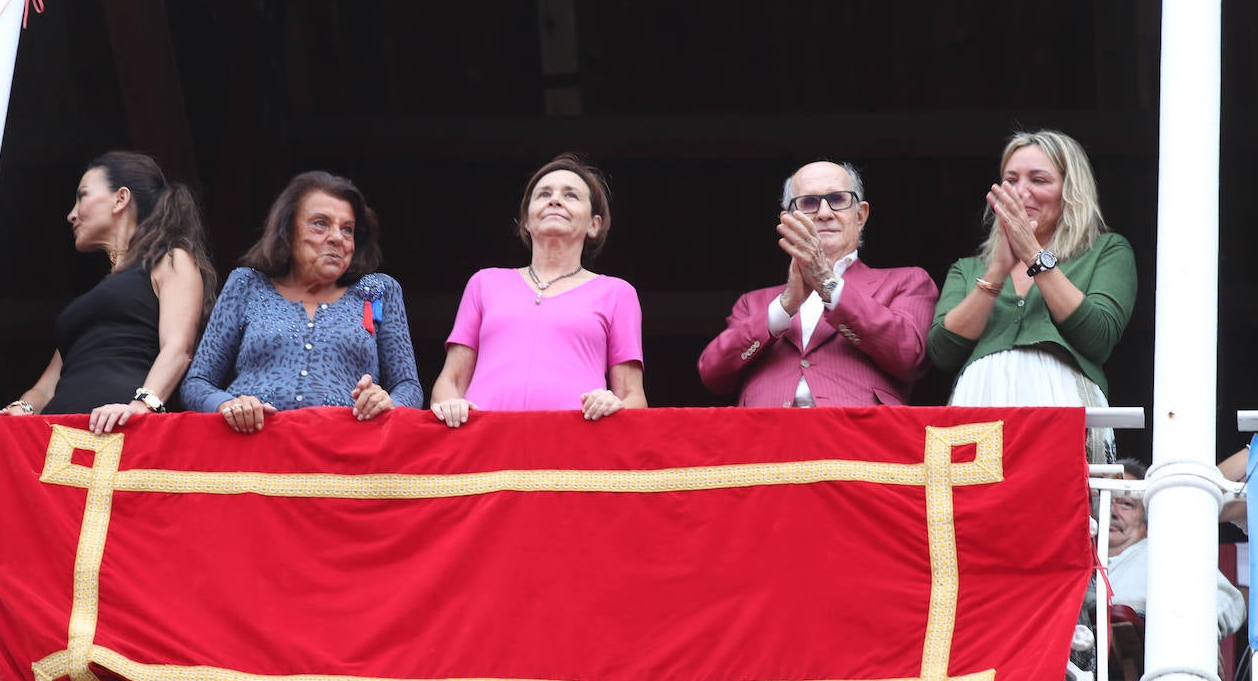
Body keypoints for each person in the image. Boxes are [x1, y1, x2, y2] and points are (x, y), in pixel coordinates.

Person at [927, 130, 1137, 462]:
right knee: (974, 513)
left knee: (1063, 511)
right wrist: (996, 270)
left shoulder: (1106, 251)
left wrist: (1033, 255)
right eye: (1011, 180)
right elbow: (942, 351)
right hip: (977, 410)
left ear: (1070, 191)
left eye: (1038, 180)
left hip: (1062, 410)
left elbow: (1098, 336)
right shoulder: (969, 269)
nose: (1022, 191)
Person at [182, 171, 421, 433]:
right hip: (251, 452)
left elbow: (408, 387)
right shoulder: (247, 285)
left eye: (347, 229)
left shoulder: (378, 291)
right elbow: (197, 383)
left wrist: (387, 403)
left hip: (346, 455)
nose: (337, 238)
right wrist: (228, 404)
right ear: (288, 230)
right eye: (320, 223)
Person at [0, 151, 217, 434]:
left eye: (83, 196)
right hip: (59, 436)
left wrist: (142, 406)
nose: (71, 214)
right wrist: (21, 408)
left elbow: (178, 348)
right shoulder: (91, 301)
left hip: (119, 429)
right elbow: (46, 386)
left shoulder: (171, 259)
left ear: (120, 199)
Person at [697, 160, 937, 407]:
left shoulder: (906, 281)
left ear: (861, 215)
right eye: (809, 203)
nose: (824, 213)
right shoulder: (753, 303)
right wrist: (785, 306)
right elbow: (713, 374)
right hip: (767, 437)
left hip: (858, 436)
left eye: (838, 199)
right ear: (788, 220)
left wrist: (827, 282)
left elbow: (909, 357)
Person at [430, 153, 646, 427]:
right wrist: (451, 406)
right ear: (526, 223)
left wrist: (614, 405)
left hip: (576, 448)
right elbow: (450, 382)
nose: (555, 200)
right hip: (483, 446)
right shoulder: (484, 283)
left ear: (594, 225)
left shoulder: (617, 293)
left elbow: (633, 397)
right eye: (544, 194)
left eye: (571, 196)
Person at [1089, 458, 1245, 638]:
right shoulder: (1075, 558)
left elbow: (1227, 599)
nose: (1113, 511)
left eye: (1126, 504)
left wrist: (1201, 640)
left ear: (1147, 519)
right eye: (1107, 500)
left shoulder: (1163, 552)